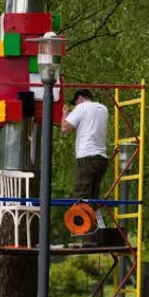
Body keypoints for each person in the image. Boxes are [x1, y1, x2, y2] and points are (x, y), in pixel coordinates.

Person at [61, 89, 109, 228]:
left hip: (87, 156)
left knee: (81, 196)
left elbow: (65, 128)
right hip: (101, 158)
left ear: (80, 99)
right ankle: (98, 229)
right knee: (93, 197)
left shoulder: (81, 107)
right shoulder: (103, 109)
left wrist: (65, 113)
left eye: (75, 103)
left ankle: (83, 230)